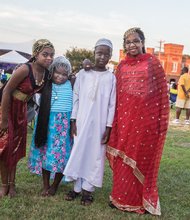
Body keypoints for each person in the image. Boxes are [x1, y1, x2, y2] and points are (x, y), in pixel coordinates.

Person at [106, 27, 169, 215]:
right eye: (128, 42)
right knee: (122, 159)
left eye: (135, 41)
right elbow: (116, 96)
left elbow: (161, 96)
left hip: (145, 123)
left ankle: (138, 200)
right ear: (124, 45)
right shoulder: (122, 66)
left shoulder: (153, 64)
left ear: (143, 43)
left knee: (140, 157)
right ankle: (119, 198)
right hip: (124, 120)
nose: (132, 45)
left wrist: (158, 122)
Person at [64, 38, 116, 205]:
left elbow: (111, 105)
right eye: (99, 53)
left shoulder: (111, 78)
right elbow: (76, 99)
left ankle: (88, 190)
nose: (102, 57)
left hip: (100, 124)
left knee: (95, 156)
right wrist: (73, 120)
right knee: (79, 151)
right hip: (81, 121)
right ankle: (76, 188)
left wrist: (108, 127)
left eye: (105, 54)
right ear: (94, 53)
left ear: (110, 56)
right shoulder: (82, 74)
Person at [0, 39, 55, 198]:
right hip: (7, 109)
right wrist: (3, 119)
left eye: (51, 55)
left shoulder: (45, 73)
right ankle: (3, 186)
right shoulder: (25, 69)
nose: (49, 58)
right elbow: (7, 91)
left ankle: (12, 185)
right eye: (45, 54)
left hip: (21, 112)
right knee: (4, 150)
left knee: (15, 149)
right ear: (35, 54)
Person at [28, 56, 73, 196]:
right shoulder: (45, 84)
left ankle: (54, 186)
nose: (60, 76)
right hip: (46, 124)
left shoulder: (72, 84)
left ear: (69, 75)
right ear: (52, 71)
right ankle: (46, 185)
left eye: (64, 74)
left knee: (61, 156)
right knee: (45, 153)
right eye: (57, 73)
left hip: (63, 127)